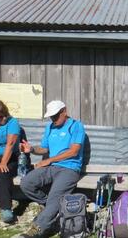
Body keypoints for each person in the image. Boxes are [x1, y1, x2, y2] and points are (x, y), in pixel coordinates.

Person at [19, 100, 86, 237]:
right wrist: (31, 149)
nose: (53, 119)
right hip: (51, 167)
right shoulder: (50, 127)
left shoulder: (76, 126)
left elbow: (74, 151)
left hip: (69, 168)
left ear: (64, 112)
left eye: (55, 116)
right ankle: (51, 208)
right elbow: (44, 148)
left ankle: (37, 229)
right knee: (26, 183)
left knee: (55, 198)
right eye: (51, 117)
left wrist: (49, 160)